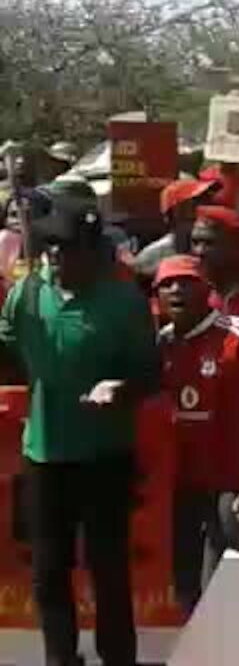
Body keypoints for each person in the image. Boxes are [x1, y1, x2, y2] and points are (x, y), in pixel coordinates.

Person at [0, 196, 160, 666]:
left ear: (94, 253)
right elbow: (8, 352)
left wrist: (122, 389)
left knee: (108, 571)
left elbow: (151, 374)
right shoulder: (27, 294)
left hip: (104, 457)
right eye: (51, 247)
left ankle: (117, 659)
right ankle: (60, 659)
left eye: (67, 249)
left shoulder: (124, 302)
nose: (56, 256)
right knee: (49, 573)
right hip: (45, 456)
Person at [154, 255, 239, 613]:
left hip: (233, 484)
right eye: (166, 284)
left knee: (226, 588)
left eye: (185, 282)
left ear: (207, 290)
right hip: (184, 485)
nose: (176, 290)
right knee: (186, 587)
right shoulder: (164, 343)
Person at [134, 179, 219, 279]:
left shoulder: (222, 249)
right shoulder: (151, 258)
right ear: (176, 211)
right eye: (198, 200)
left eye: (208, 198)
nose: (209, 205)